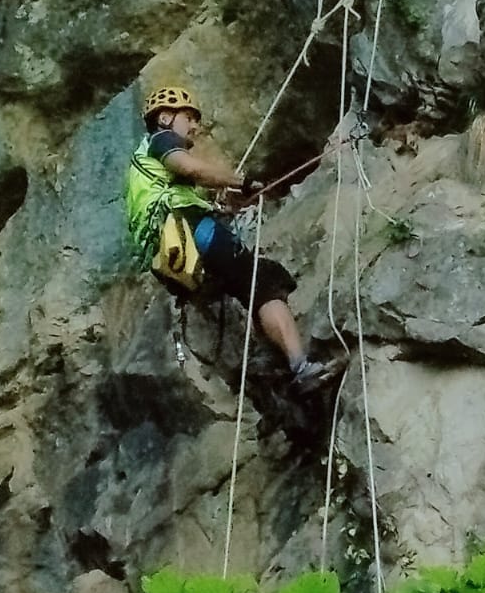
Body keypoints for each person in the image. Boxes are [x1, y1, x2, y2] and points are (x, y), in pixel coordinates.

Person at [124, 85, 342, 393]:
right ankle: (300, 366)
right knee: (262, 279)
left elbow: (180, 190)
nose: (195, 127)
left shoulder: (143, 166)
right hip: (187, 229)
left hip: (172, 257)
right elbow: (191, 168)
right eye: (188, 117)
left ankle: (274, 368)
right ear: (164, 118)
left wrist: (219, 209)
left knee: (245, 286)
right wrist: (243, 182)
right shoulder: (162, 141)